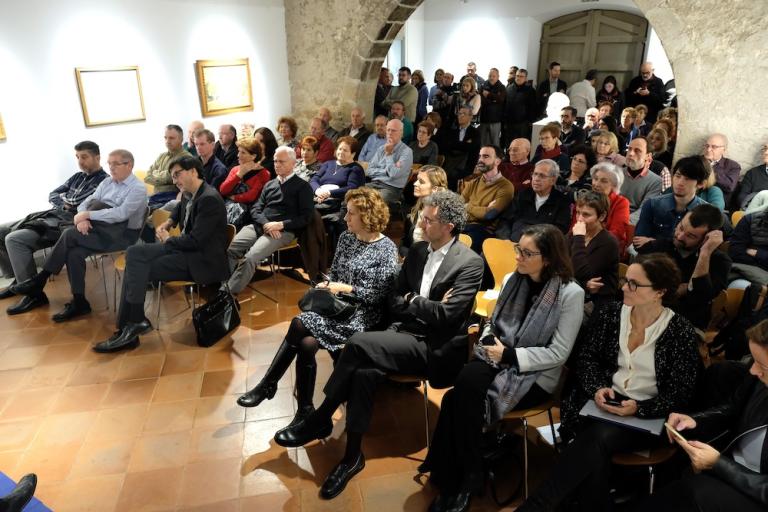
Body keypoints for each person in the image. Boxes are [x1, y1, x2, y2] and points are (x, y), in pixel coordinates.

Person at [272, 190, 484, 500]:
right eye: (422, 217)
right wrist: (420, 302)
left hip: (433, 347)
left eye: (428, 220)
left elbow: (446, 316)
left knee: (357, 343)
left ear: (449, 226)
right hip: (402, 333)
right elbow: (394, 299)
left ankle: (321, 417)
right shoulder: (418, 251)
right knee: (363, 372)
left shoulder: (470, 263)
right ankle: (351, 457)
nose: (421, 224)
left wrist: (413, 300)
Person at [519, 253, 701, 511]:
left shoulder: (680, 331)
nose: (624, 287)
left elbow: (681, 392)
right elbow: (586, 358)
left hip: (649, 415)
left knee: (596, 439)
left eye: (634, 284)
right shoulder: (612, 314)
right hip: (604, 404)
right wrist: (597, 388)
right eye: (626, 280)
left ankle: (537, 506)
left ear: (659, 292)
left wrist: (640, 408)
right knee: (592, 447)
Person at [423, 224, 584, 512]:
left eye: (527, 253)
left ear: (548, 258)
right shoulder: (513, 279)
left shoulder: (570, 293)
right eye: (518, 249)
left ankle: (454, 477)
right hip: (496, 355)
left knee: (456, 399)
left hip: (533, 374)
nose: (518, 256)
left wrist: (509, 354)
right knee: (466, 383)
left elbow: (559, 353)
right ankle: (470, 473)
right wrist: (490, 342)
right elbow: (491, 323)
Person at [236, 187, 399, 427]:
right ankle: (304, 410)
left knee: (300, 323)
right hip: (338, 307)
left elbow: (378, 296)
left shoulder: (386, 249)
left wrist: (345, 288)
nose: (345, 217)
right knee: (306, 343)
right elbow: (337, 273)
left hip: (362, 315)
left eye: (351, 213)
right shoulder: (346, 238)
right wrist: (328, 283)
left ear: (367, 216)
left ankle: (269, 385)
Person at [628, 318, 768, 512]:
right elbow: (733, 408)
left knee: (691, 494)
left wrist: (719, 464)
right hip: (734, 467)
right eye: (753, 360)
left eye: (762, 365)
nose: (752, 370)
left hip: (754, 490)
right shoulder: (759, 380)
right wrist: (695, 420)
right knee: (676, 468)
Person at [92, 155, 229, 352]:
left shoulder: (209, 199)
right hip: (186, 252)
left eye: (177, 174)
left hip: (201, 260)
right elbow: (180, 208)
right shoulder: (191, 192)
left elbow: (195, 241)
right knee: (134, 256)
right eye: (172, 176)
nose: (174, 180)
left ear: (193, 171)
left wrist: (168, 239)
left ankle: (130, 326)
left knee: (134, 264)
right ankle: (132, 324)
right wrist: (169, 222)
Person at [10, 149, 147, 320]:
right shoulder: (107, 182)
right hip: (99, 228)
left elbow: (121, 214)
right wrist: (82, 218)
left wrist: (89, 215)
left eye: (116, 164)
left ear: (129, 165)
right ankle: (80, 302)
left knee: (69, 234)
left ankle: (40, 279)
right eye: (109, 163)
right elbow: (85, 203)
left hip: (122, 235)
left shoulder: (137, 188)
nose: (111, 167)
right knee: (74, 253)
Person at [0, 141, 107, 309]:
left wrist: (66, 201)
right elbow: (53, 194)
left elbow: (78, 202)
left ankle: (34, 295)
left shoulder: (104, 181)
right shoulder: (77, 176)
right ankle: (19, 281)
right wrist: (63, 204)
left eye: (84, 157)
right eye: (77, 157)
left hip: (69, 222)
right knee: (1, 231)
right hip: (55, 214)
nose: (80, 162)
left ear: (97, 157)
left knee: (14, 239)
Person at [226, 146, 314, 295]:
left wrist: (280, 225)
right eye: (275, 161)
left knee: (251, 257)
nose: (277, 165)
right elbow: (256, 209)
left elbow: (306, 217)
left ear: (293, 163)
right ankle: (227, 285)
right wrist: (266, 224)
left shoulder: (303, 187)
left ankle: (227, 294)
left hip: (283, 231)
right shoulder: (270, 184)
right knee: (230, 250)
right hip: (261, 225)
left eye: (281, 162)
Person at [637, 204, 732, 330]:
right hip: (646, 314)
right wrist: (683, 288)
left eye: (690, 236)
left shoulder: (720, 261)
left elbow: (700, 299)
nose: (680, 236)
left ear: (706, 239)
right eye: (681, 227)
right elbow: (638, 282)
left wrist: (705, 253)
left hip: (684, 324)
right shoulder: (660, 246)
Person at [634, 156, 712, 245]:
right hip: (651, 254)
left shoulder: (707, 213)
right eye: (678, 176)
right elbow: (638, 243)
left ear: (701, 184)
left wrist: (656, 242)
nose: (680, 182)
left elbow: (697, 248)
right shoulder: (652, 204)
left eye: (687, 178)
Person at [496, 159, 572, 242]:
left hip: (539, 246)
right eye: (535, 174)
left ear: (553, 180)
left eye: (542, 176)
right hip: (511, 243)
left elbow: (559, 231)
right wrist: (505, 239)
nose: (536, 179)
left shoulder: (562, 201)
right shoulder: (522, 195)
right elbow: (505, 221)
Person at [569, 191, 619, 309]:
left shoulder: (608, 242)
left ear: (602, 216)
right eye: (578, 213)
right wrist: (585, 283)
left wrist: (579, 238)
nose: (579, 219)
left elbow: (581, 272)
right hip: (575, 292)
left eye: (586, 215)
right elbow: (559, 264)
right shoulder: (574, 234)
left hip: (596, 303)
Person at [461, 145, 515, 252]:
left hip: (483, 230)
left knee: (463, 249)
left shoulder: (506, 186)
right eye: (480, 156)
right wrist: (481, 210)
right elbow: (458, 206)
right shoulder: (473, 182)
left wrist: (467, 206)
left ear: (497, 161)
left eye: (486, 156)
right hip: (464, 225)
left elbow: (489, 215)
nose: (480, 160)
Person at [218, 137, 271, 228]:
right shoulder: (236, 169)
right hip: (227, 207)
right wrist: (239, 175)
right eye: (239, 151)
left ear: (253, 156)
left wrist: (234, 197)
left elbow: (251, 197)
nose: (238, 155)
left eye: (243, 152)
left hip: (248, 212)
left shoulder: (264, 174)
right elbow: (223, 190)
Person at [400, 165, 448, 257]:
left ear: (435, 189)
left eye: (421, 182)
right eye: (417, 180)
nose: (415, 183)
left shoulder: (442, 217)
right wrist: (408, 255)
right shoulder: (414, 211)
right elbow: (404, 244)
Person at [310, 136, 365, 216]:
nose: (341, 152)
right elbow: (314, 179)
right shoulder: (328, 163)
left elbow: (352, 188)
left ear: (353, 154)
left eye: (345, 150)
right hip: (318, 196)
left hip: (337, 203)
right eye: (340, 149)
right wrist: (318, 191)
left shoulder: (355, 169)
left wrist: (329, 193)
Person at [364, 118, 413, 205]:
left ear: (401, 133)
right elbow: (369, 171)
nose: (390, 133)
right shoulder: (381, 149)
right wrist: (386, 172)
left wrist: (389, 154)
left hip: (392, 188)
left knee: (374, 202)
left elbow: (394, 174)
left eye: (393, 130)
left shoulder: (406, 152)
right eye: (388, 130)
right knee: (353, 194)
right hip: (374, 184)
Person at [144, 125, 192, 209]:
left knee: (146, 212)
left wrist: (156, 174)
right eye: (165, 138)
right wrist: (165, 176)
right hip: (155, 197)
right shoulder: (161, 156)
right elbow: (147, 177)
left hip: (172, 197)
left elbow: (172, 178)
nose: (167, 141)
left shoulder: (186, 157)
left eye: (171, 138)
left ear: (181, 139)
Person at [620, 136, 663, 224]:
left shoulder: (655, 181)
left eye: (637, 151)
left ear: (648, 156)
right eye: (629, 149)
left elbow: (644, 210)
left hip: (632, 224)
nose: (631, 153)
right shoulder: (616, 173)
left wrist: (623, 222)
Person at [590, 162, 630, 250]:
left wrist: (590, 242)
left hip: (607, 247)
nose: (596, 184)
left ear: (614, 185)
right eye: (595, 179)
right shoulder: (585, 199)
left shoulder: (621, 203)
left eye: (604, 181)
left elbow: (616, 234)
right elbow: (574, 227)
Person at [441, 107, 480, 190]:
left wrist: (456, 144)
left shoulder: (475, 133)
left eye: (464, 114)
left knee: (454, 177)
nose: (460, 116)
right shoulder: (452, 131)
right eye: (459, 113)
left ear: (470, 117)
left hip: (466, 164)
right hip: (450, 162)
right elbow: (447, 146)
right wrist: (464, 144)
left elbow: (472, 149)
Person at [729, 208, 768, 285]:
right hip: (746, 269)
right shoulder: (750, 220)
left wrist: (758, 254)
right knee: (740, 285)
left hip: (756, 268)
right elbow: (735, 252)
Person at [703, 133, 741, 205]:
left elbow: (729, 187)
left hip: (718, 205)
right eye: (707, 146)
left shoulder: (733, 166)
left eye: (714, 147)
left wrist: (709, 170)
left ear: (724, 150)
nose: (708, 149)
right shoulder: (696, 161)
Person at [503, 68, 537, 146]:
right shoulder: (509, 88)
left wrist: (530, 122)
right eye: (517, 76)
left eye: (521, 76)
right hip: (509, 123)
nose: (518, 78)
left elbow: (532, 107)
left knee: (521, 145)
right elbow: (505, 105)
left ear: (525, 78)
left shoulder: (530, 91)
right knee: (510, 145)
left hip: (523, 124)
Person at [735, 141, 768, 211]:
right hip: (754, 213)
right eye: (765, 148)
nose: (766, 152)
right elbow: (741, 198)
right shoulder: (752, 173)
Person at [478, 67, 506, 147]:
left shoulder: (502, 87)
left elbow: (501, 99)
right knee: (483, 143)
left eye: (494, 76)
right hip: (484, 120)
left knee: (495, 144)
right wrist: (494, 100)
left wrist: (489, 95)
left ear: (498, 77)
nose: (491, 78)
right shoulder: (483, 86)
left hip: (496, 121)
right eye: (490, 76)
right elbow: (481, 100)